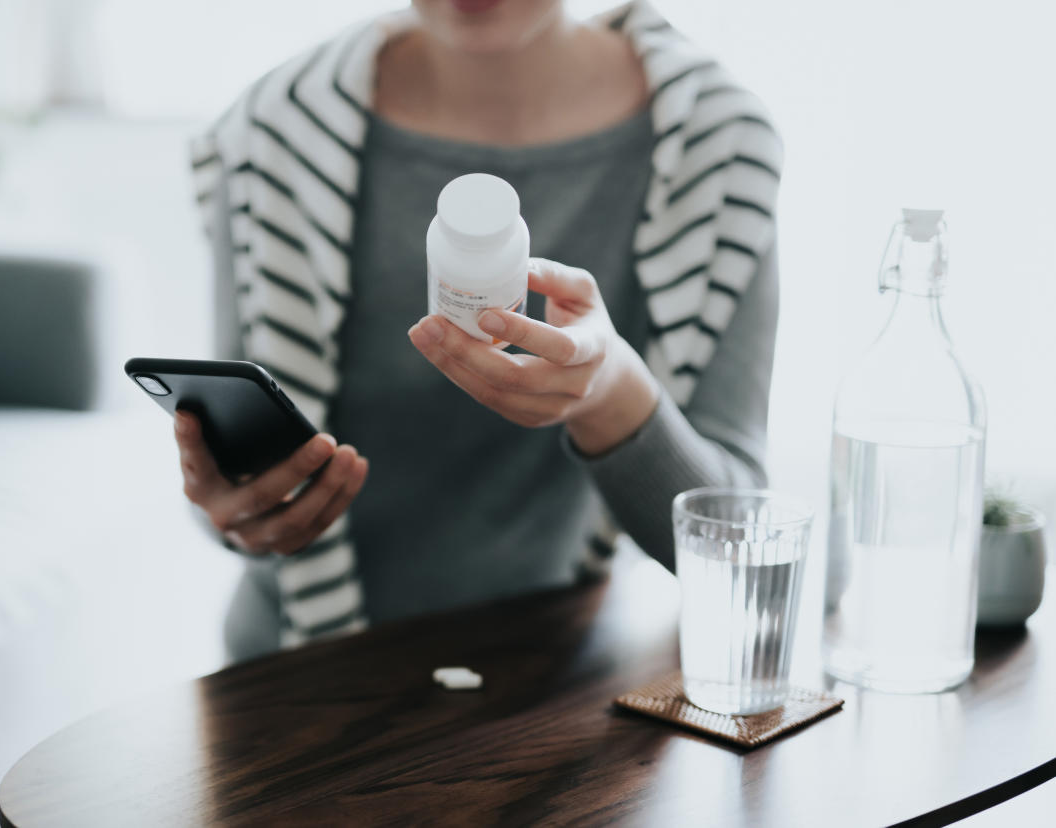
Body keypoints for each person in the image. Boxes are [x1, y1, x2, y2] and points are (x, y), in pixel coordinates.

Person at [179, 0, 782, 660]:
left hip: (555, 691)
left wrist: (611, 394)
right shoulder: (277, 134)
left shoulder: (715, 145)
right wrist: (236, 509)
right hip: (298, 679)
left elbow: (742, 546)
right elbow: (236, 478)